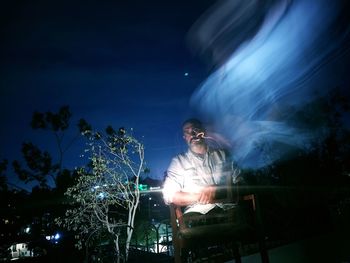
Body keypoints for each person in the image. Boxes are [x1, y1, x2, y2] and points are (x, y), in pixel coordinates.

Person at [162, 118, 241, 218]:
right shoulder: (178, 162)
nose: (193, 134)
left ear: (204, 131)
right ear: (185, 137)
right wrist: (199, 196)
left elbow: (241, 182)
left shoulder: (224, 155)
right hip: (197, 214)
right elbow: (170, 195)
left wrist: (218, 190)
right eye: (188, 132)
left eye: (196, 129)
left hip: (229, 209)